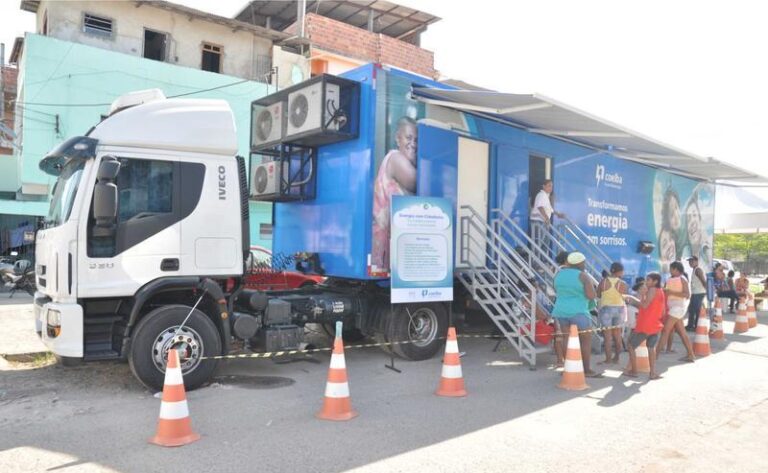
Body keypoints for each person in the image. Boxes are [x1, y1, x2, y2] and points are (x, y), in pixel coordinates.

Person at [371, 117, 417, 272]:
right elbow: (416, 181)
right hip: (386, 243)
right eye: (408, 138)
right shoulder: (395, 158)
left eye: (417, 140)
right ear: (398, 138)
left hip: (390, 242)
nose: (413, 144)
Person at [551, 252, 601, 377]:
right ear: (580, 263)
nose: (585, 265)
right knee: (585, 340)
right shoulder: (583, 276)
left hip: (561, 311)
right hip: (579, 311)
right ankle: (586, 370)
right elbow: (591, 295)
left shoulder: (559, 274)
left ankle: (568, 368)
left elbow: (557, 290)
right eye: (584, 262)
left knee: (566, 339)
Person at [623, 272, 665, 380]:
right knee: (651, 348)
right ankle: (652, 373)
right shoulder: (660, 291)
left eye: (648, 280)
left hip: (645, 324)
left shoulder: (652, 290)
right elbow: (662, 310)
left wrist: (633, 298)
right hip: (655, 324)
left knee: (630, 346)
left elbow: (645, 305)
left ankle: (634, 371)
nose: (646, 282)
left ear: (655, 281)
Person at [657, 261, 696, 362]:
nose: (669, 271)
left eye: (671, 269)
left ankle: (655, 355)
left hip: (677, 308)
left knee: (665, 331)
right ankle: (691, 355)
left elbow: (687, 294)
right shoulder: (670, 279)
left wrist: (671, 292)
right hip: (673, 308)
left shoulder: (683, 279)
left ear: (675, 269)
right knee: (682, 333)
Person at [596, 262, 627, 365]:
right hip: (620, 309)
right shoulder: (622, 283)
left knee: (607, 337)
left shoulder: (603, 282)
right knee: (617, 335)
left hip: (606, 309)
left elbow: (598, 295)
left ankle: (608, 359)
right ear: (620, 271)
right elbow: (625, 297)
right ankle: (616, 358)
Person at [530, 180, 565, 247]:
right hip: (538, 222)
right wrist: (546, 218)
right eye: (549, 186)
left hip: (543, 222)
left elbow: (550, 209)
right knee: (539, 243)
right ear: (544, 186)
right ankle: (536, 254)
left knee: (545, 243)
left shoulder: (546, 196)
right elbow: (540, 207)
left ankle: (542, 254)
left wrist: (558, 214)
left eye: (551, 186)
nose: (551, 188)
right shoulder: (541, 195)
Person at [685, 256, 707, 331]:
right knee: (692, 309)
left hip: (698, 293)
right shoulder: (695, 270)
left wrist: (707, 290)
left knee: (696, 310)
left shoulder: (698, 270)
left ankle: (696, 326)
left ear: (696, 261)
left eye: (692, 261)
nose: (690, 263)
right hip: (696, 293)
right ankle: (691, 325)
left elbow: (703, 281)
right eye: (689, 261)